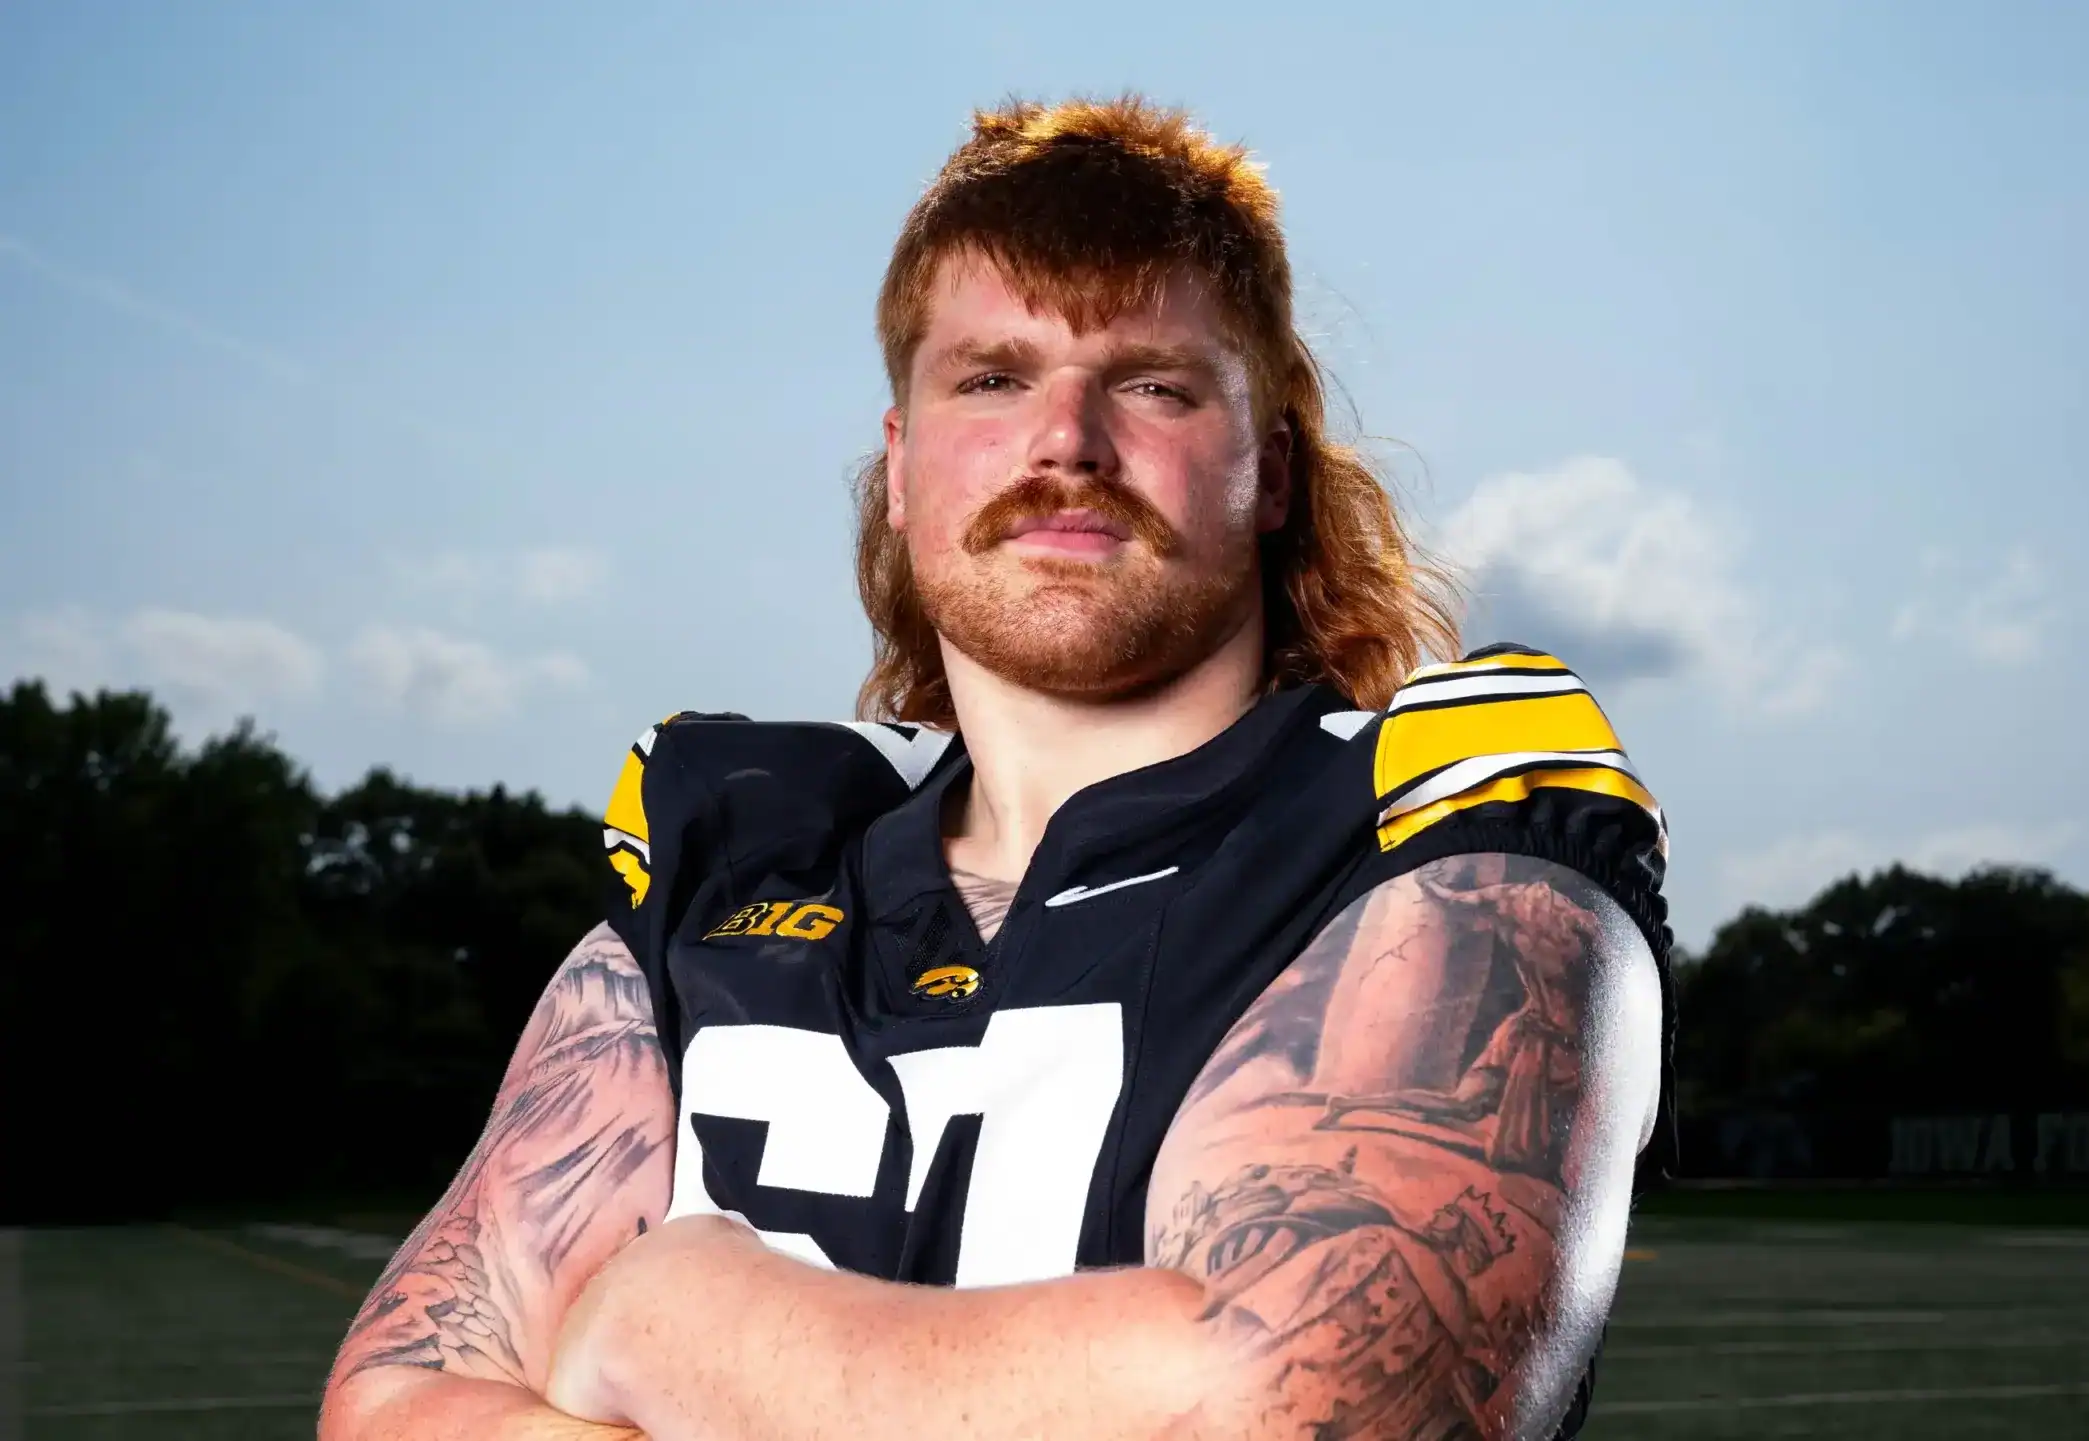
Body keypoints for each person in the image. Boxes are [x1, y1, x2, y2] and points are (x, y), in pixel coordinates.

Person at [319, 95, 1674, 1441]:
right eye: (992, 378)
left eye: (1152, 382)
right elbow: (392, 1402)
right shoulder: (739, 852)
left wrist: (672, 1322)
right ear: (899, 470)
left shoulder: (1428, 821)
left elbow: (1315, 1397)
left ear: (1268, 470)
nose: (1067, 440)